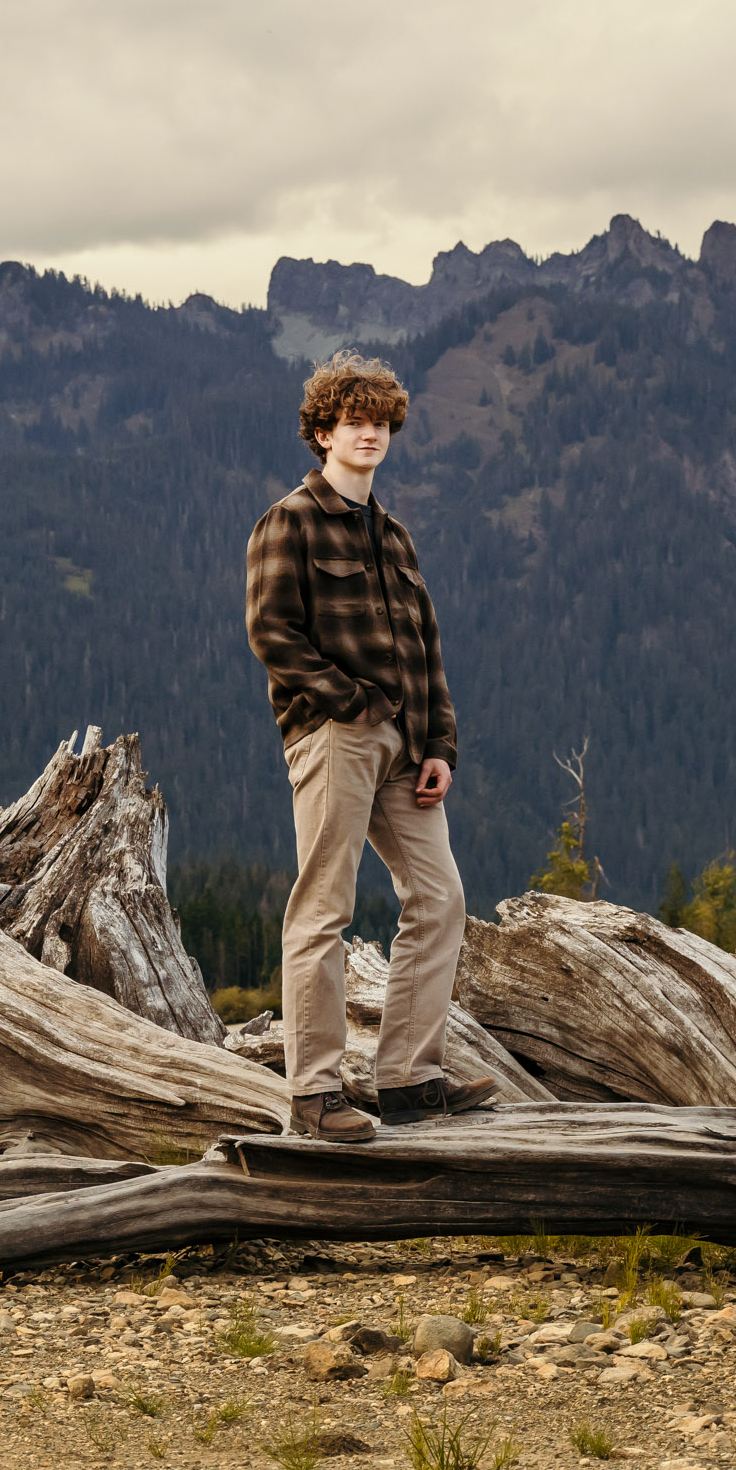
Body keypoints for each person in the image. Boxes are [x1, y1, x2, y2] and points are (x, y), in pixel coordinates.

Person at [243, 350, 497, 1142]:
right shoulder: (289, 520)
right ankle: (314, 1094)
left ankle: (411, 1078)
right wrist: (351, 706)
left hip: (405, 746)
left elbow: (427, 648)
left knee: (440, 895)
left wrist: (440, 744)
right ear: (322, 431)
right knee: (323, 908)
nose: (370, 433)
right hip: (337, 736)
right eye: (354, 421)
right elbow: (271, 633)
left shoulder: (395, 537)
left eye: (382, 422)